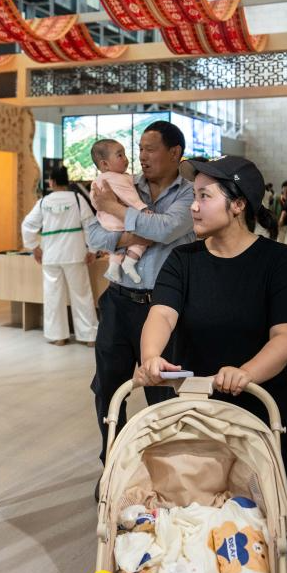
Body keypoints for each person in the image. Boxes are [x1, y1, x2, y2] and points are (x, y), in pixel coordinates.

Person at [138, 155, 287, 550]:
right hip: (195, 409)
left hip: (257, 408)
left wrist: (246, 373)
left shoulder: (277, 261)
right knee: (192, 512)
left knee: (263, 517)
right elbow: (161, 314)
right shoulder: (184, 260)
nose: (193, 206)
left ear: (238, 204)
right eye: (194, 195)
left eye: (205, 196)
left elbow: (286, 336)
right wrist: (151, 356)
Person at [85, 121, 195, 468]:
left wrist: (118, 211)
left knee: (163, 392)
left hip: (165, 309)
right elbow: (94, 236)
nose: (141, 157)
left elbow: (168, 228)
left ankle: (163, 470)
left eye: (150, 149)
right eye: (139, 150)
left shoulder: (189, 194)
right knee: (107, 389)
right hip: (119, 302)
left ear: (175, 153)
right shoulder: (123, 183)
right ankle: (113, 465)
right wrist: (138, 231)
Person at [21, 165, 98, 346]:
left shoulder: (44, 202)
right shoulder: (77, 199)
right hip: (75, 254)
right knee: (81, 294)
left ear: (52, 182)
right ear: (67, 181)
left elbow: (27, 225)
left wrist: (34, 247)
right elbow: (91, 225)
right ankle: (89, 337)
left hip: (51, 255)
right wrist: (93, 249)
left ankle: (58, 336)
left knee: (53, 295)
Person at [89, 139, 151, 284]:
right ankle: (130, 261)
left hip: (106, 222)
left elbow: (95, 201)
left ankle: (113, 267)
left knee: (118, 245)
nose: (125, 159)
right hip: (118, 219)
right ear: (105, 164)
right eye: (120, 155)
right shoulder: (116, 178)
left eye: (124, 154)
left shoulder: (98, 180)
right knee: (144, 236)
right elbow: (130, 197)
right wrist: (143, 209)